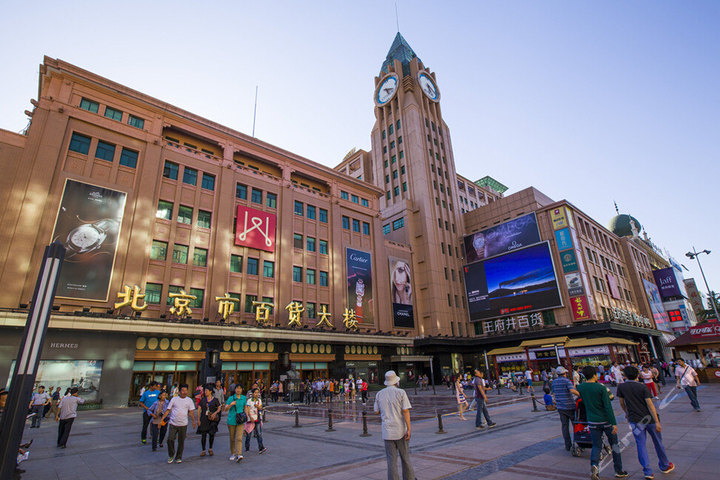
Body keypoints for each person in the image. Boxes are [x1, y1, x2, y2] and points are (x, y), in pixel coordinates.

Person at [617, 366, 675, 479]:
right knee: (658, 442)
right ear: (637, 375)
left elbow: (622, 403)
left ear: (625, 376)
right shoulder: (642, 387)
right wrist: (657, 422)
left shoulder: (622, 387)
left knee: (640, 444)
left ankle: (648, 471)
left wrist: (626, 412)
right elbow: (650, 404)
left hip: (635, 420)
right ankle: (665, 465)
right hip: (649, 419)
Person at [576, 366, 627, 480]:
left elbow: (584, 401)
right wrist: (613, 423)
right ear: (595, 375)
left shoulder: (581, 387)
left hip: (592, 420)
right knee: (614, 445)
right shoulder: (601, 387)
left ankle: (594, 465)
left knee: (596, 445)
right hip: (606, 420)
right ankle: (618, 470)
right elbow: (608, 406)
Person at [374, 371, 415, 480]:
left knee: (391, 460)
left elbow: (376, 411)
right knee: (405, 457)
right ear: (396, 381)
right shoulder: (401, 392)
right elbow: (405, 411)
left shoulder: (379, 394)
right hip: (401, 430)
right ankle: (409, 478)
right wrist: (409, 429)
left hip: (387, 431)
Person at [161, 383, 197, 464]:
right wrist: (162, 419)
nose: (185, 392)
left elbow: (191, 412)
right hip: (173, 423)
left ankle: (178, 457)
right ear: (179, 391)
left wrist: (194, 422)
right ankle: (171, 455)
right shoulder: (174, 399)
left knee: (181, 441)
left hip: (183, 424)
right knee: (170, 439)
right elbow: (168, 410)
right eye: (183, 390)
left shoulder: (189, 400)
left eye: (186, 390)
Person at [551, 366, 579, 451]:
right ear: (565, 373)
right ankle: (577, 442)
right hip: (570, 406)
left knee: (564, 426)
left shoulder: (554, 382)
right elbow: (572, 391)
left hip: (560, 407)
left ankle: (568, 445)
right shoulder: (566, 381)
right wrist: (581, 395)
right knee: (576, 425)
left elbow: (554, 394)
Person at [224, 384, 247, 462]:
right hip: (232, 420)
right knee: (232, 438)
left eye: (240, 388)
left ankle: (239, 454)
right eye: (237, 388)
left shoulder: (244, 398)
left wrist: (246, 416)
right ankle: (233, 453)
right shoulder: (231, 398)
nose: (238, 390)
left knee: (239, 438)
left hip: (240, 420)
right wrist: (231, 404)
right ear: (235, 389)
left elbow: (246, 407)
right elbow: (225, 409)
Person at [197, 384, 222, 457]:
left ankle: (210, 448)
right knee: (203, 435)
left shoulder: (215, 400)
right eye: (205, 391)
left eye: (207, 391)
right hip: (204, 419)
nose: (205, 392)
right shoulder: (203, 400)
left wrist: (215, 413)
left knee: (211, 434)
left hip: (212, 419)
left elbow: (219, 408)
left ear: (210, 391)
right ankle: (203, 450)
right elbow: (199, 410)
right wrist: (198, 419)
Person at [244, 388, 267, 454]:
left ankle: (261, 448)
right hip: (251, 419)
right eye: (255, 393)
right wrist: (250, 417)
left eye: (257, 393)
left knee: (259, 434)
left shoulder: (259, 400)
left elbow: (260, 408)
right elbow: (247, 409)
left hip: (257, 418)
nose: (256, 394)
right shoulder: (249, 401)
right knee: (249, 434)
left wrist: (257, 406)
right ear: (252, 393)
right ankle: (247, 447)